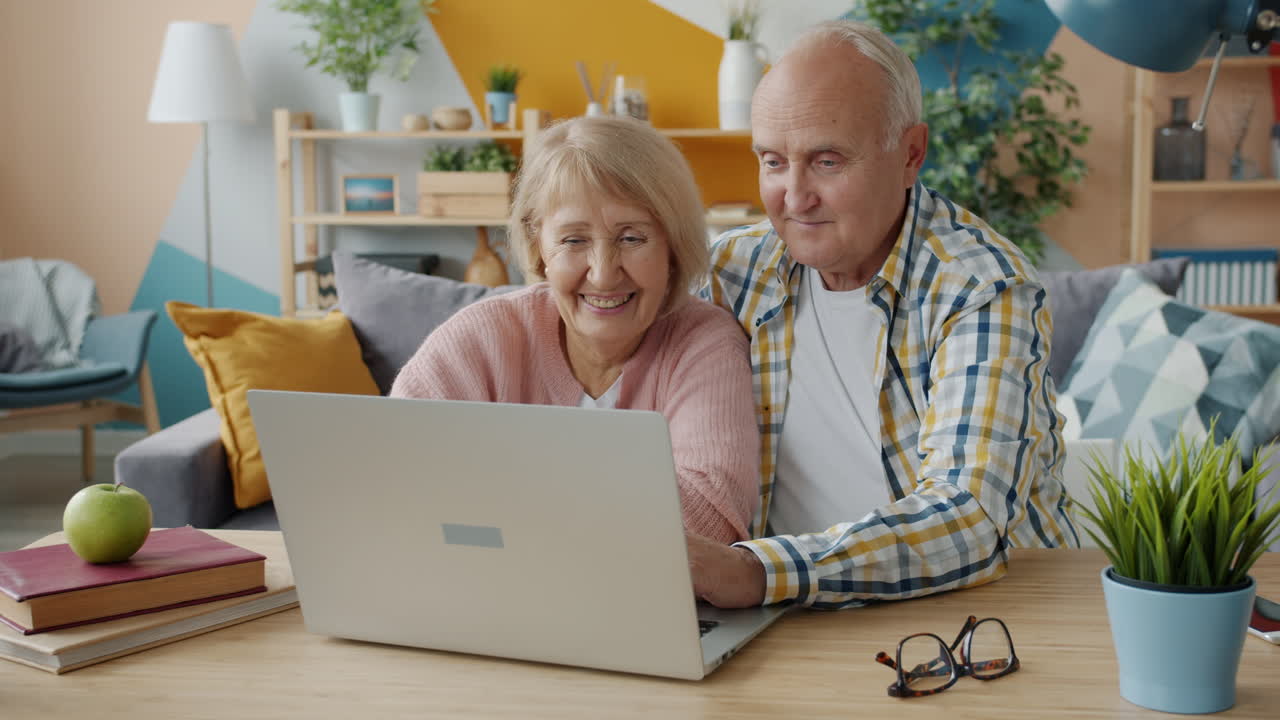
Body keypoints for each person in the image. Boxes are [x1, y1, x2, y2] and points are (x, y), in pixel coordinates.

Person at [687, 19, 1077, 609]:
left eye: (827, 161)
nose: (794, 197)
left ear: (910, 154)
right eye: (772, 161)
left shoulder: (981, 285)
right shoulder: (732, 270)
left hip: (988, 619)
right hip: (788, 620)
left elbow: (968, 515)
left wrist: (757, 573)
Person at [391, 115, 760, 544]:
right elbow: (396, 481)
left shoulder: (705, 344)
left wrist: (496, 501)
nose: (603, 275)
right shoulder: (480, 338)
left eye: (632, 238)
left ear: (674, 248)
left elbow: (708, 524)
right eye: (573, 240)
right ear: (537, 246)